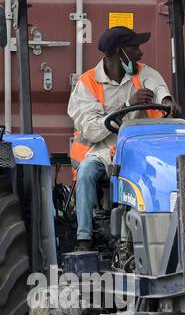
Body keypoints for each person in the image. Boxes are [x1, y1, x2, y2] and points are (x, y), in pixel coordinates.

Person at [67, 27, 176, 247]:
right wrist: (127, 105)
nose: (140, 53)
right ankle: (84, 239)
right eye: (135, 48)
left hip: (139, 149)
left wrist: (166, 101)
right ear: (120, 53)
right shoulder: (87, 84)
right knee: (86, 172)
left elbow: (158, 87)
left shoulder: (143, 73)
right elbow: (92, 131)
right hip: (103, 152)